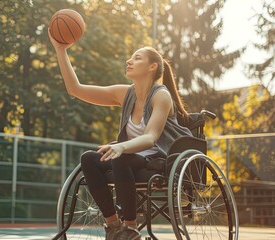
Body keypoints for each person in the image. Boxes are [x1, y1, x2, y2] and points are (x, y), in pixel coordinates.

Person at [48, 29, 192, 240]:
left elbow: (151, 137)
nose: (129, 60)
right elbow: (75, 89)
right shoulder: (125, 94)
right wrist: (60, 50)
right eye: (131, 57)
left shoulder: (161, 96)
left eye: (137, 57)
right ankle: (114, 225)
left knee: (119, 156)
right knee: (89, 159)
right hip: (130, 156)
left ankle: (130, 229)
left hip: (159, 158)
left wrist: (121, 146)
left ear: (152, 67)